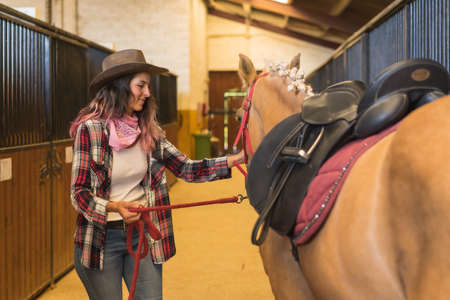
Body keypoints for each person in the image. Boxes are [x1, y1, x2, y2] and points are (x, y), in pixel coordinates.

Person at [69, 49, 244, 300]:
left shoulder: (148, 130)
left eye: (148, 86)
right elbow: (79, 193)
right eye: (141, 85)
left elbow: (186, 168)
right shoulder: (90, 129)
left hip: (142, 235)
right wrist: (114, 206)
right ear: (119, 86)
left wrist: (233, 160)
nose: (148, 93)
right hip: (100, 239)